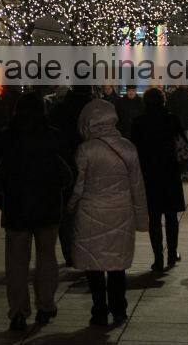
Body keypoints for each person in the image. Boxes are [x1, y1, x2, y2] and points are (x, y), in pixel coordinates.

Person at [0, 93, 74, 332]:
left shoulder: (6, 139)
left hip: (16, 209)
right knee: (47, 258)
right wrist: (61, 200)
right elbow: (69, 175)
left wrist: (5, 203)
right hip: (48, 207)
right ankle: (45, 304)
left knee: (16, 263)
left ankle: (18, 311)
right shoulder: (54, 137)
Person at [68, 99, 148, 326]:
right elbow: (137, 187)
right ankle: (119, 308)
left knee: (93, 265)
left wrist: (69, 207)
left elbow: (78, 187)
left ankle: (99, 309)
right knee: (116, 266)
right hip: (121, 213)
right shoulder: (128, 148)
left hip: (91, 212)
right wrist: (142, 220)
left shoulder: (85, 150)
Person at [130, 88, 186, 272]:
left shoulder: (139, 122)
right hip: (170, 173)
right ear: (163, 101)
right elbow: (182, 145)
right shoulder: (172, 119)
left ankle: (158, 258)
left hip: (150, 174)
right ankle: (172, 253)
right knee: (171, 216)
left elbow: (134, 149)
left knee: (154, 218)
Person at [48, 85, 94, 266]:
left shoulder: (59, 109)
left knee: (67, 210)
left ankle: (69, 253)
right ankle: (84, 251)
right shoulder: (93, 108)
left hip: (64, 161)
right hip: (90, 161)